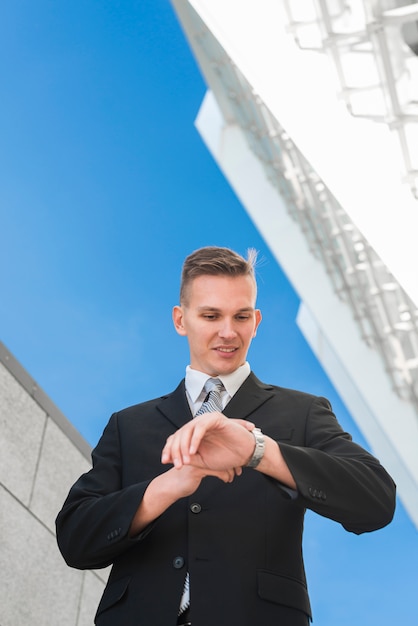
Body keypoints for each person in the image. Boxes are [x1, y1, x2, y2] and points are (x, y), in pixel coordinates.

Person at [56, 246, 396, 626]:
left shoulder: (302, 412)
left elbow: (376, 499)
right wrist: (166, 487)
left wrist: (258, 452)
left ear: (257, 321)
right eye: (211, 315)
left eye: (241, 316)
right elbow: (74, 539)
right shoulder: (128, 425)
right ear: (180, 319)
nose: (228, 332)